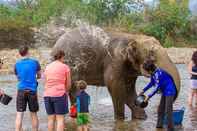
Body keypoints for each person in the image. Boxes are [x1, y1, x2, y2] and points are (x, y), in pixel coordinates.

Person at [139, 60, 177, 131]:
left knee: (168, 111)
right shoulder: (153, 73)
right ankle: (159, 126)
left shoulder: (159, 74)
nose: (146, 72)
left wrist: (148, 96)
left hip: (170, 91)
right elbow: (151, 83)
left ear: (150, 70)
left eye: (146, 71)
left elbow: (157, 88)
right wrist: (143, 90)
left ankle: (171, 129)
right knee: (160, 110)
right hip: (165, 91)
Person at [14, 46, 41, 131]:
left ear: (20, 53)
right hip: (32, 90)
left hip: (21, 90)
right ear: (28, 52)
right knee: (33, 114)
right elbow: (39, 75)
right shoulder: (35, 62)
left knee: (19, 114)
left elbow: (18, 78)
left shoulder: (16, 64)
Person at [44, 50, 71, 131]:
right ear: (62, 56)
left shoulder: (47, 67)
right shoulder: (65, 67)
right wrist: (66, 91)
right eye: (64, 57)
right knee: (60, 119)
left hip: (47, 95)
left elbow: (45, 81)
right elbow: (69, 83)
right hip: (59, 95)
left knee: (50, 119)